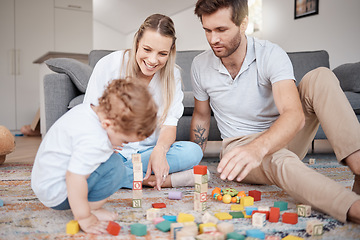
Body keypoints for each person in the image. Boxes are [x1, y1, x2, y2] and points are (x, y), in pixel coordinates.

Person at [190, 0, 360, 223]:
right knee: (280, 160)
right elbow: (202, 116)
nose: (213, 39)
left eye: (221, 30)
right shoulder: (200, 65)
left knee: (321, 76)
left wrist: (259, 148)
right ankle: (354, 208)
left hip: (282, 136)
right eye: (207, 30)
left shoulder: (270, 54)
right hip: (238, 146)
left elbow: (294, 114)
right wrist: (193, 163)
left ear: (243, 24)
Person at [84, 14, 203, 190]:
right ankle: (149, 180)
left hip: (147, 153)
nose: (153, 60)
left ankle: (118, 176)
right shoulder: (109, 64)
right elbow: (90, 117)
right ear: (137, 41)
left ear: (171, 51)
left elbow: (169, 126)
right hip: (111, 151)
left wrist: (160, 150)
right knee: (87, 160)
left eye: (162, 53)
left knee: (193, 152)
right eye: (147, 49)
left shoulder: (173, 76)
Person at [31, 78, 158, 234]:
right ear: (108, 124)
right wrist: (84, 217)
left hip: (45, 184)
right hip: (57, 194)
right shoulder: (94, 140)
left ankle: (84, 205)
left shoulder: (87, 110)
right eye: (124, 140)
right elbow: (74, 177)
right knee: (116, 168)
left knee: (109, 158)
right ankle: (90, 208)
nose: (125, 144)